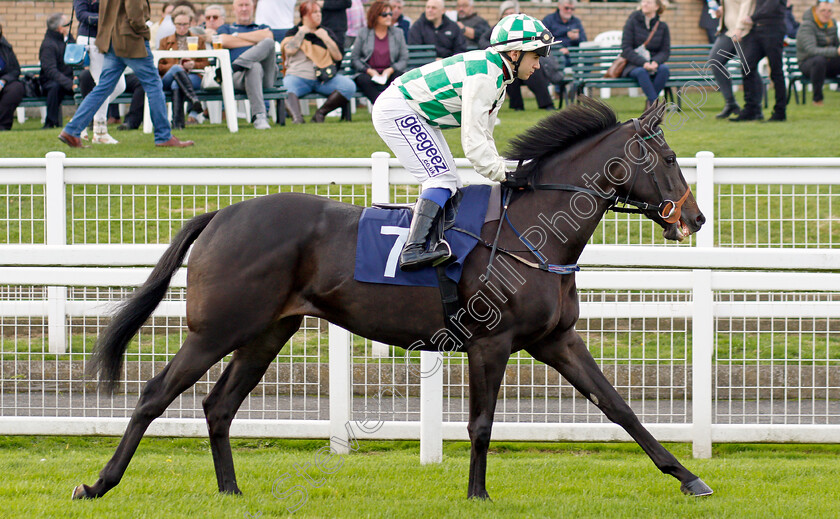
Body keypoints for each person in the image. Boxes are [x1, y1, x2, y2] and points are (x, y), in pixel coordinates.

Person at [372, 14, 554, 271]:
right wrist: (504, 175)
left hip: (415, 112)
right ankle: (412, 251)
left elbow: (485, 135)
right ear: (515, 54)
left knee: (451, 183)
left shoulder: (498, 75)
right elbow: (473, 141)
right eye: (535, 56)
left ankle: (437, 243)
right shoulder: (486, 76)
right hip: (398, 110)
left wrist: (502, 171)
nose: (538, 65)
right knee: (441, 180)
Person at [59, 0, 193, 148]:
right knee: (153, 85)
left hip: (112, 39)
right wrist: (144, 32)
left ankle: (72, 130)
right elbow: (135, 14)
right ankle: (163, 136)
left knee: (102, 88)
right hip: (132, 40)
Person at [280, 0, 356, 123]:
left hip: (324, 78)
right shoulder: (293, 32)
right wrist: (301, 33)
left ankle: (320, 114)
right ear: (304, 15)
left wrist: (326, 38)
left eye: (319, 12)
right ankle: (297, 118)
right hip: (298, 78)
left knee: (348, 86)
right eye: (314, 12)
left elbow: (338, 57)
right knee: (285, 87)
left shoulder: (326, 32)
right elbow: (289, 51)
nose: (319, 15)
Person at [216, 0, 278, 130]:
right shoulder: (226, 28)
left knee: (267, 42)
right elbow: (224, 40)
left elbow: (268, 37)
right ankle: (260, 117)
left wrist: (237, 36)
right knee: (253, 66)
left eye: (247, 5)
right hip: (237, 78)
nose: (244, 9)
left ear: (253, 7)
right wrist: (255, 42)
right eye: (240, 5)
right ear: (234, 8)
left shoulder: (262, 27)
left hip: (265, 77)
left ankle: (236, 65)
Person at [74, 0, 124, 143]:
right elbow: (81, 14)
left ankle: (81, 118)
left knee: (120, 86)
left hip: (109, 39)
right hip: (91, 39)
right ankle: (100, 132)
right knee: (104, 84)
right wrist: (108, 18)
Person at [732, 0, 786, 122]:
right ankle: (751, 109)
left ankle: (780, 111)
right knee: (747, 65)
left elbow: (771, 6)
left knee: (776, 70)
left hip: (773, 29)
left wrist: (752, 17)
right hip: (757, 30)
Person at [705, 0, 760, 119]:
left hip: (742, 30)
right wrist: (722, 10)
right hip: (728, 31)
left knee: (748, 67)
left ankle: (756, 109)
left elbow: (747, 3)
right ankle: (731, 103)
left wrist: (740, 27)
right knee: (715, 61)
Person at [158, 6, 207, 128]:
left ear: (190, 23)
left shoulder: (198, 40)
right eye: (179, 24)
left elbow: (206, 63)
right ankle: (194, 99)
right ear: (174, 23)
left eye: (185, 24)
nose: (182, 28)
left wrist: (193, 65)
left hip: (193, 76)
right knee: (176, 69)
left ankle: (177, 123)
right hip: (168, 77)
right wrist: (176, 66)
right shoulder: (165, 41)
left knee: (176, 84)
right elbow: (158, 65)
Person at [351, 0, 408, 103]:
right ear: (375, 16)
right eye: (384, 14)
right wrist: (368, 71)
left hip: (390, 72)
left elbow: (404, 58)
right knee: (363, 79)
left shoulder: (398, 33)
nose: (389, 17)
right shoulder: (363, 33)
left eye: (390, 14)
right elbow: (355, 58)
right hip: (369, 74)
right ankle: (382, 104)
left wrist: (390, 70)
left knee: (399, 77)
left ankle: (390, 106)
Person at [620, 0, 670, 110]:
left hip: (654, 64)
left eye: (649, 2)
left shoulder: (662, 26)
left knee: (664, 69)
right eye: (643, 1)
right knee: (641, 72)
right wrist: (644, 63)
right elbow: (626, 49)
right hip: (634, 64)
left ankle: (650, 105)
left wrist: (655, 62)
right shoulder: (632, 22)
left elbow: (665, 51)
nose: (645, 4)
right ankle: (654, 105)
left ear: (657, 7)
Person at [796, 1, 840, 106]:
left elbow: (836, 45)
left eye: (829, 11)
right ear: (816, 10)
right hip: (808, 64)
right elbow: (811, 50)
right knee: (819, 60)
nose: (826, 14)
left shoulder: (832, 24)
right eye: (823, 10)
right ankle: (817, 99)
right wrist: (835, 51)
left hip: (828, 63)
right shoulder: (807, 26)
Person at [39, 13, 76, 129]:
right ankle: (51, 123)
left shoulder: (69, 39)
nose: (70, 26)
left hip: (68, 79)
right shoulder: (48, 45)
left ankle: (90, 122)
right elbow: (50, 71)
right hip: (50, 82)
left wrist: (76, 77)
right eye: (67, 24)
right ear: (60, 28)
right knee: (55, 87)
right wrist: (70, 84)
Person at [542, 0, 586, 67]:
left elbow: (584, 41)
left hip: (573, 54)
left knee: (589, 59)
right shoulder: (549, 20)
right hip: (555, 54)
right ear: (559, 6)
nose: (569, 11)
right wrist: (557, 50)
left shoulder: (576, 21)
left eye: (572, 9)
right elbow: (543, 40)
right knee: (560, 60)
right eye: (566, 8)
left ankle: (580, 77)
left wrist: (577, 38)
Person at [0, 22, 24, 131]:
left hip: (5, 82)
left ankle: (3, 125)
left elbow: (15, 70)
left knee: (16, 88)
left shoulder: (5, 47)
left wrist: (3, 81)